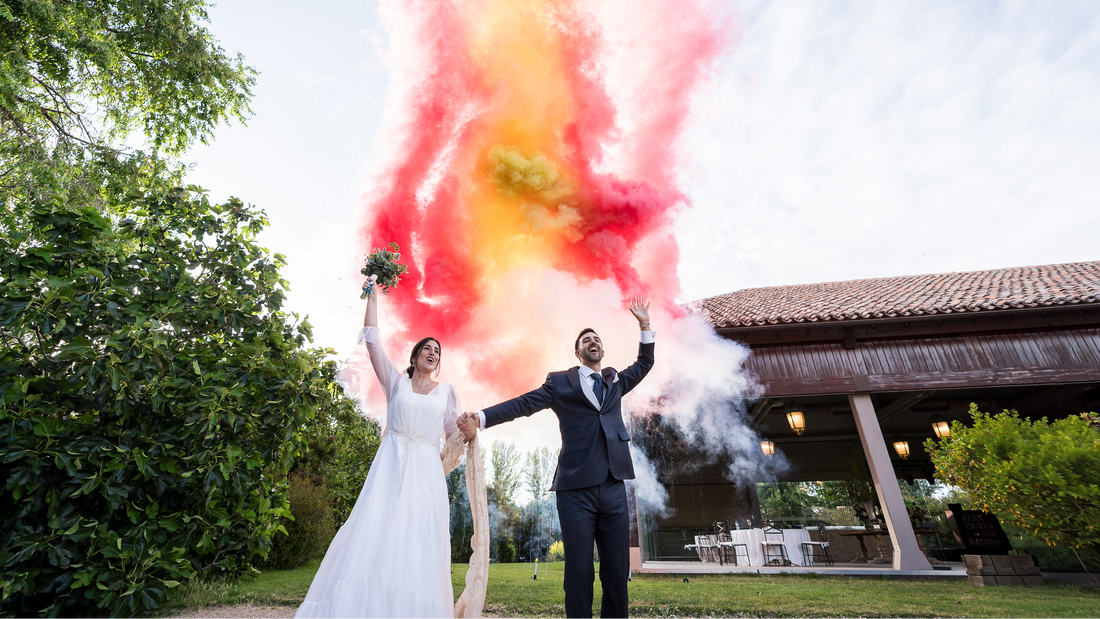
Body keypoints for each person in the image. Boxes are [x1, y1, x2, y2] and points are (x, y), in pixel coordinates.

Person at [457, 296, 654, 619]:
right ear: (577, 353)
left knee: (616, 574)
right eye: (586, 340)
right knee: (579, 573)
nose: (593, 342)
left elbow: (645, 364)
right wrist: (481, 417)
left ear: (601, 351)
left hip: (615, 486)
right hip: (575, 490)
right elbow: (523, 404)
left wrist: (645, 325)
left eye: (597, 339)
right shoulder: (560, 382)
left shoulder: (614, 380)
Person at [295, 287, 480, 619]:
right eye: (426, 348)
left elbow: (454, 437)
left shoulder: (447, 393)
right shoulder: (397, 384)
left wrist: (469, 429)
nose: (432, 352)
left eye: (437, 351)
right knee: (375, 531)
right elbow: (373, 343)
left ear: (438, 362)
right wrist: (374, 297)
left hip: (425, 474)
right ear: (415, 357)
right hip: (389, 467)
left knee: (415, 540)